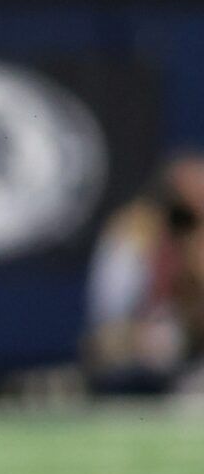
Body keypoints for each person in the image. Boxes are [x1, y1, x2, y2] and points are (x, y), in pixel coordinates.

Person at [83, 155, 204, 395]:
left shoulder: (194, 237)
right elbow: (109, 311)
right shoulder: (135, 230)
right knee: (158, 339)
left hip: (188, 341)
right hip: (133, 339)